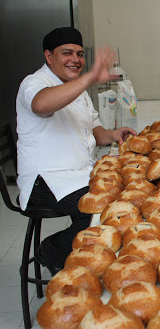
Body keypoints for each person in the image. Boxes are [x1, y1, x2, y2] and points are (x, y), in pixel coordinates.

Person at [16, 27, 136, 273]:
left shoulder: (76, 89)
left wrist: (114, 134)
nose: (76, 60)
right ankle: (55, 250)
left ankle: (87, 256)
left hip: (78, 175)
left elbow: (95, 131)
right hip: (45, 181)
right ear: (49, 56)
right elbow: (41, 104)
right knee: (103, 208)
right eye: (67, 53)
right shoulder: (34, 83)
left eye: (80, 54)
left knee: (122, 195)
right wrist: (90, 77)